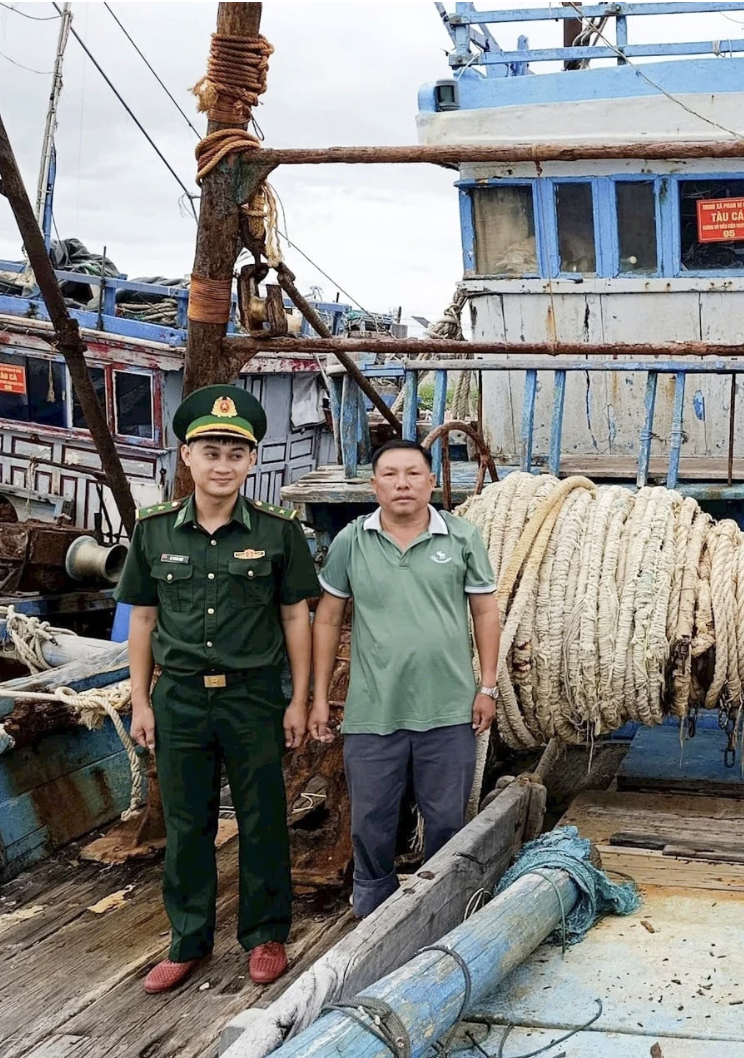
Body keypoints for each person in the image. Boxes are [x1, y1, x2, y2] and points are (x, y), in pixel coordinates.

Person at [118, 385, 321, 994]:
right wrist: (140, 701)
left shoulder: (279, 532)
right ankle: (187, 940)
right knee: (186, 821)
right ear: (187, 456)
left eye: (236, 452)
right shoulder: (154, 531)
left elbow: (296, 619)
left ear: (252, 461)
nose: (222, 463)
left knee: (262, 817)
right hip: (178, 698)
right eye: (211, 451)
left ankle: (265, 934)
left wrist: (300, 698)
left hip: (253, 696)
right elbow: (144, 621)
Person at [310, 439, 501, 918]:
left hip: (449, 708)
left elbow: (485, 611)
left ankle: (439, 909)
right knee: (371, 821)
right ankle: (371, 909)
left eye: (413, 473)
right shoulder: (351, 541)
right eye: (390, 474)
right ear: (373, 485)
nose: (402, 483)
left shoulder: (462, 538)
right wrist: (317, 696)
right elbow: (328, 618)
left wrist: (488, 686)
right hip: (373, 711)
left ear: (431, 482)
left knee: (445, 821)